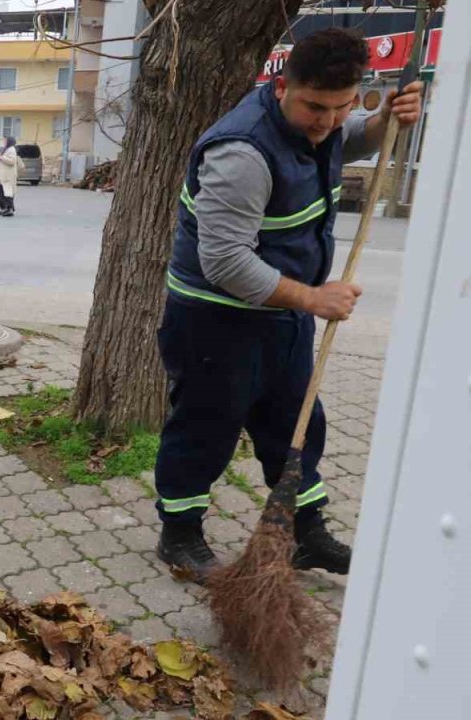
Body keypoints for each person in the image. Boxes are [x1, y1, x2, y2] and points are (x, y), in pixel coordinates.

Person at [154, 28, 424, 580]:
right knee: (206, 426)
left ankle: (305, 532)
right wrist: (313, 298)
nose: (326, 121)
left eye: (342, 106)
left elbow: (346, 140)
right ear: (282, 87)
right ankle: (179, 533)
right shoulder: (242, 153)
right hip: (216, 317)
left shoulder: (319, 126)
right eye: (314, 107)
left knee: (297, 422)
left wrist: (382, 122)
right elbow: (225, 262)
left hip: (283, 314)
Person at [0, 136, 25, 217]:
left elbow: (12, 161)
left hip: (8, 176)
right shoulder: (7, 149)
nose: (3, 141)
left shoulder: (11, 149)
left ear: (9, 141)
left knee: (7, 192)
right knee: (0, 191)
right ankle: (5, 208)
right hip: (4, 176)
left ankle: (9, 209)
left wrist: (1, 157)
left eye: (5, 140)